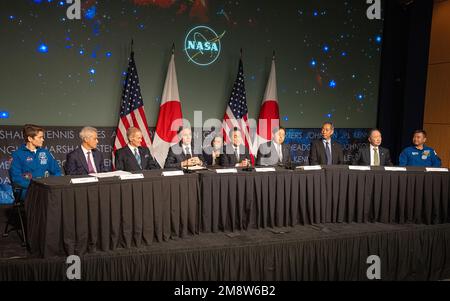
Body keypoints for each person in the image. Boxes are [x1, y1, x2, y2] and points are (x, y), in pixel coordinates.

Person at [9, 124, 61, 199]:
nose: (43, 139)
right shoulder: (17, 155)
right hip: (28, 191)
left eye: (42, 137)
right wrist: (35, 187)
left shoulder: (45, 153)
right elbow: (16, 178)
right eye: (40, 137)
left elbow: (57, 171)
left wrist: (51, 184)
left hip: (46, 189)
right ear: (30, 138)